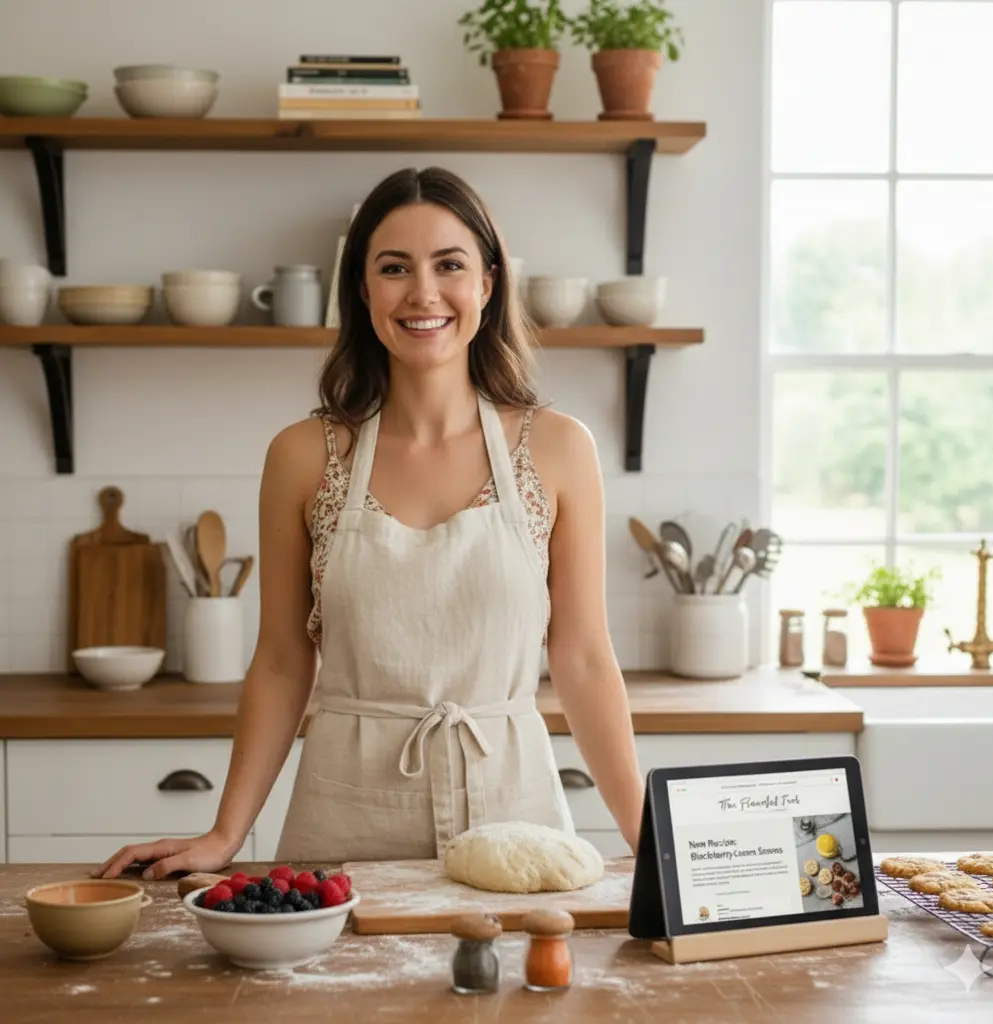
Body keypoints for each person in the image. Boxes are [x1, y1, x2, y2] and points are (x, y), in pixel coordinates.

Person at [95, 166, 645, 881]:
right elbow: (283, 660)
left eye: (449, 264)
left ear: (487, 283)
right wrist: (225, 834)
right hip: (343, 822)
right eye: (394, 268)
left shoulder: (560, 449)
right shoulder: (301, 456)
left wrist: (650, 844)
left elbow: (584, 659)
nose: (423, 292)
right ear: (361, 289)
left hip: (518, 819)